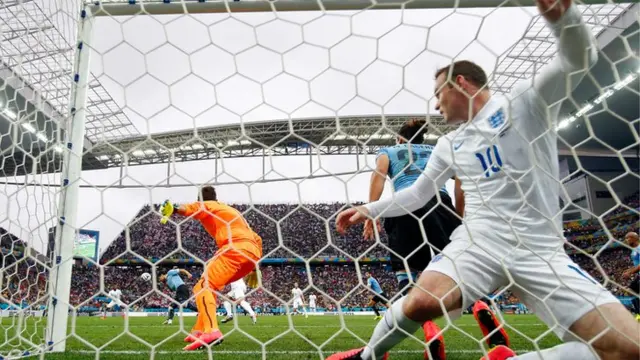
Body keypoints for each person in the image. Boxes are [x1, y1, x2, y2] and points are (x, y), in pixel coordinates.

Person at [329, 1, 640, 359]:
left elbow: (579, 60)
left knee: (627, 348)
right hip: (478, 243)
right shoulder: (449, 143)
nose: (435, 106)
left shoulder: (526, 103)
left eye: (437, 94)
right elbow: (418, 194)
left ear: (460, 83)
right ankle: (368, 356)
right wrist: (368, 208)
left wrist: (564, 19)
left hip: (538, 249)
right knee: (422, 302)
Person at [365, 118, 509, 358]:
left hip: (403, 205)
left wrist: (371, 213)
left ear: (400, 138)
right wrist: (458, 215)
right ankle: (481, 305)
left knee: (408, 274)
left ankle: (429, 328)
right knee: (457, 267)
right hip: (440, 204)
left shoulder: (388, 151)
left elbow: (378, 176)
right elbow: (462, 183)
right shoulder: (436, 151)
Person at [160, 186, 262, 351]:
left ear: (201, 199)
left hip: (233, 249)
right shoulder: (230, 210)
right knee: (209, 289)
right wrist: (255, 268)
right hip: (251, 255)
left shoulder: (210, 205)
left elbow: (195, 208)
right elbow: (258, 238)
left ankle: (211, 331)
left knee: (202, 287)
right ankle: (199, 330)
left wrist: (175, 209)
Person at [622, 232, 640, 321]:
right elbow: (637, 264)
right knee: (631, 290)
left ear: (634, 238)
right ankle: (638, 313)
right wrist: (629, 270)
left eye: (628, 238)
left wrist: (631, 273)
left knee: (632, 290)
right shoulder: (633, 250)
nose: (626, 240)